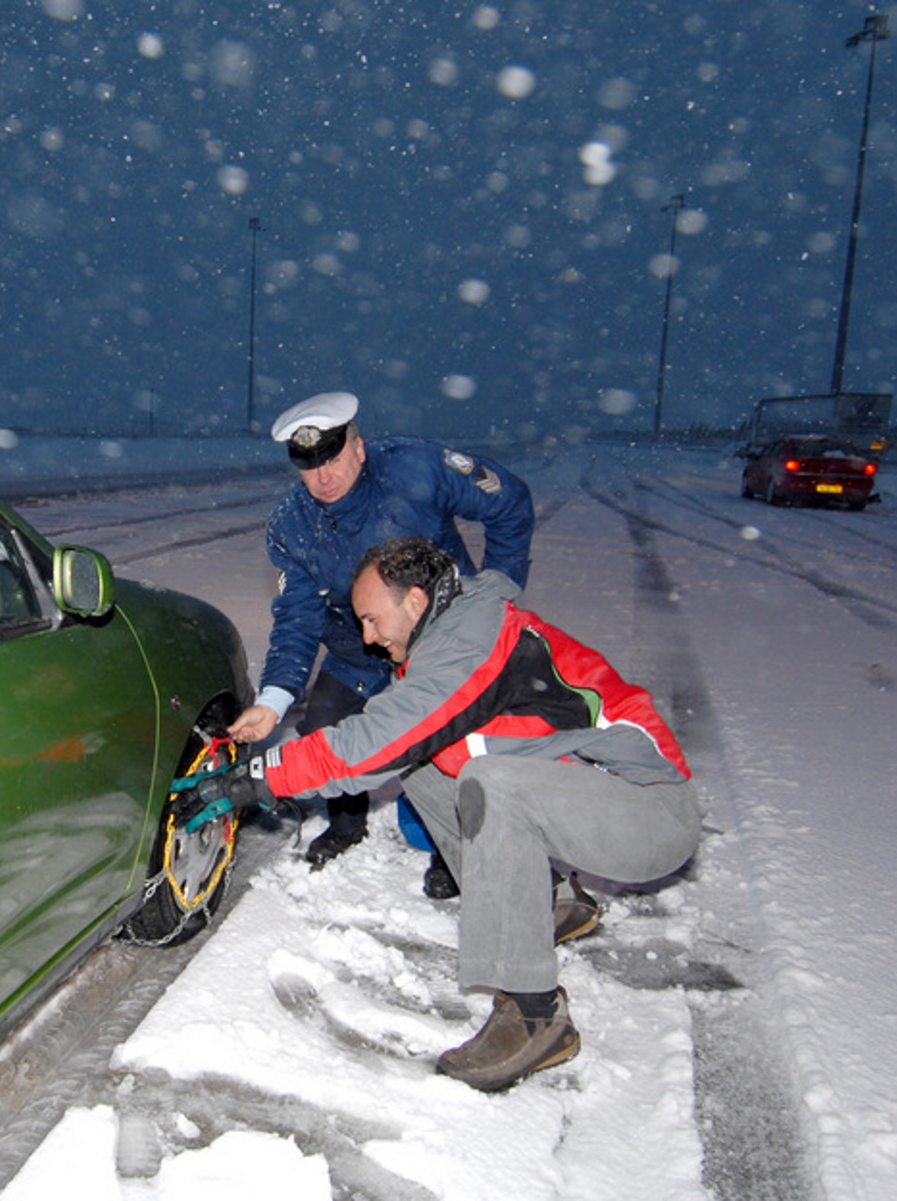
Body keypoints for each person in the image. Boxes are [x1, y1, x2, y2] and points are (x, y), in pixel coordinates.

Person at [201, 536, 699, 1092]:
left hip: (649, 812)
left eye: (371, 618)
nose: (367, 637)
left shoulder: (470, 643)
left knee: (489, 782)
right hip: (591, 799)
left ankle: (536, 1016)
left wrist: (262, 774)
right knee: (431, 764)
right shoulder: (446, 638)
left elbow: (375, 742)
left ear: (415, 602)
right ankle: (550, 900)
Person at [227, 391, 534, 894]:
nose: (324, 477)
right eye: (310, 467)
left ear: (359, 447)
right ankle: (347, 824)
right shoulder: (290, 526)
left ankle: (449, 845)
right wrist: (274, 699)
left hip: (439, 640)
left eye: (334, 458)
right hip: (357, 650)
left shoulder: (417, 468)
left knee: (444, 744)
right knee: (324, 725)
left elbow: (510, 500)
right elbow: (298, 617)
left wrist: (498, 587)